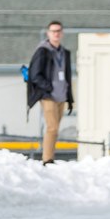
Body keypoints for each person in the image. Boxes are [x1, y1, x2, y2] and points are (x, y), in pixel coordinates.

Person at [27, 21, 74, 166]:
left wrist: (70, 98)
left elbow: (67, 76)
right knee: (52, 127)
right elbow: (34, 74)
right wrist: (48, 87)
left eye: (59, 31)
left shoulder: (64, 53)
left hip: (61, 95)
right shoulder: (43, 51)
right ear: (48, 33)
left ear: (62, 33)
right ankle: (47, 159)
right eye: (53, 31)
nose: (56, 33)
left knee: (55, 128)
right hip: (48, 95)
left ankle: (50, 156)